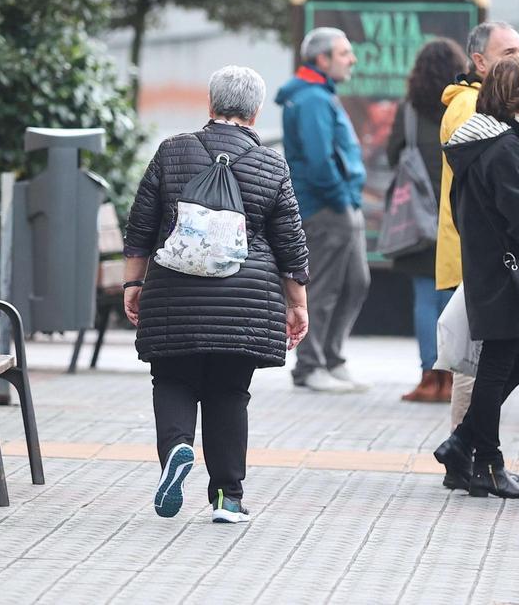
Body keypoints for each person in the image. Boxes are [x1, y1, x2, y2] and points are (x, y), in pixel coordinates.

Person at [122, 66, 310, 523]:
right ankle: (228, 498)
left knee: (172, 378)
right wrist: (298, 303)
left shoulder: (172, 151)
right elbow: (290, 241)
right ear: (256, 110)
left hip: (173, 291)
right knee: (229, 391)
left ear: (210, 105)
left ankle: (177, 449)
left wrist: (133, 283)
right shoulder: (271, 164)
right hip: (246, 298)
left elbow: (142, 225)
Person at [433, 56, 519, 499]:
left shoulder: (481, 142)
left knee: (517, 360)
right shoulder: (503, 147)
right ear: (517, 99)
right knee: (499, 365)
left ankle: (463, 444)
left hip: (492, 268)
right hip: (509, 270)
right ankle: (488, 463)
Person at [435, 22, 519, 430]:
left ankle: (468, 448)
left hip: (481, 254)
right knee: (474, 366)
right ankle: (464, 452)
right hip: (476, 255)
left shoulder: (483, 104)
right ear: (479, 61)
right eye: (510, 54)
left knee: (501, 361)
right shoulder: (471, 108)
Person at [276, 28, 370, 393]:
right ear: (322, 60)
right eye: (345, 53)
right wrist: (341, 198)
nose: (352, 59)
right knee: (326, 287)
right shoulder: (313, 98)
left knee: (355, 282)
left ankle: (331, 359)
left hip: (342, 204)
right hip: (328, 207)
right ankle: (310, 365)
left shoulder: (318, 94)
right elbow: (319, 161)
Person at [386, 37, 467, 403]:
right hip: (459, 214)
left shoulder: (409, 111)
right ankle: (452, 378)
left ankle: (427, 378)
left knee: (424, 298)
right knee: (453, 299)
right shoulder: (465, 107)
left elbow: (393, 155)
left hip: (419, 219)